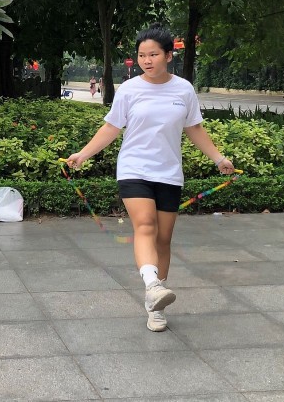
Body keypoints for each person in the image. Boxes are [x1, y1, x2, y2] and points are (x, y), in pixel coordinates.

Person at [66, 24, 235, 333]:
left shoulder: (183, 90)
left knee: (163, 239)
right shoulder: (129, 90)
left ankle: (156, 305)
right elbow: (111, 128)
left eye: (153, 54)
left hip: (169, 172)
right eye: (142, 55)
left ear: (169, 56)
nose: (146, 60)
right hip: (134, 169)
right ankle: (153, 286)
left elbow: (194, 128)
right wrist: (83, 154)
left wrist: (218, 158)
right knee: (145, 225)